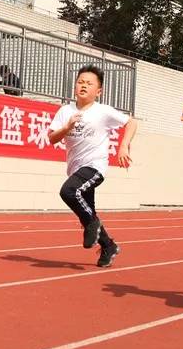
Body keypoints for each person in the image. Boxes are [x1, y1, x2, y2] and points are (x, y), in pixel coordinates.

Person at [49, 65, 137, 268]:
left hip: (95, 166)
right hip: (75, 168)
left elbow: (131, 123)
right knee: (88, 214)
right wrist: (66, 127)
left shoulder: (103, 111)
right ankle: (108, 246)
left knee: (68, 191)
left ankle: (92, 225)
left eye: (89, 83)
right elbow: (52, 138)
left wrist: (124, 146)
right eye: (80, 82)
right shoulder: (65, 111)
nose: (83, 86)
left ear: (99, 91)